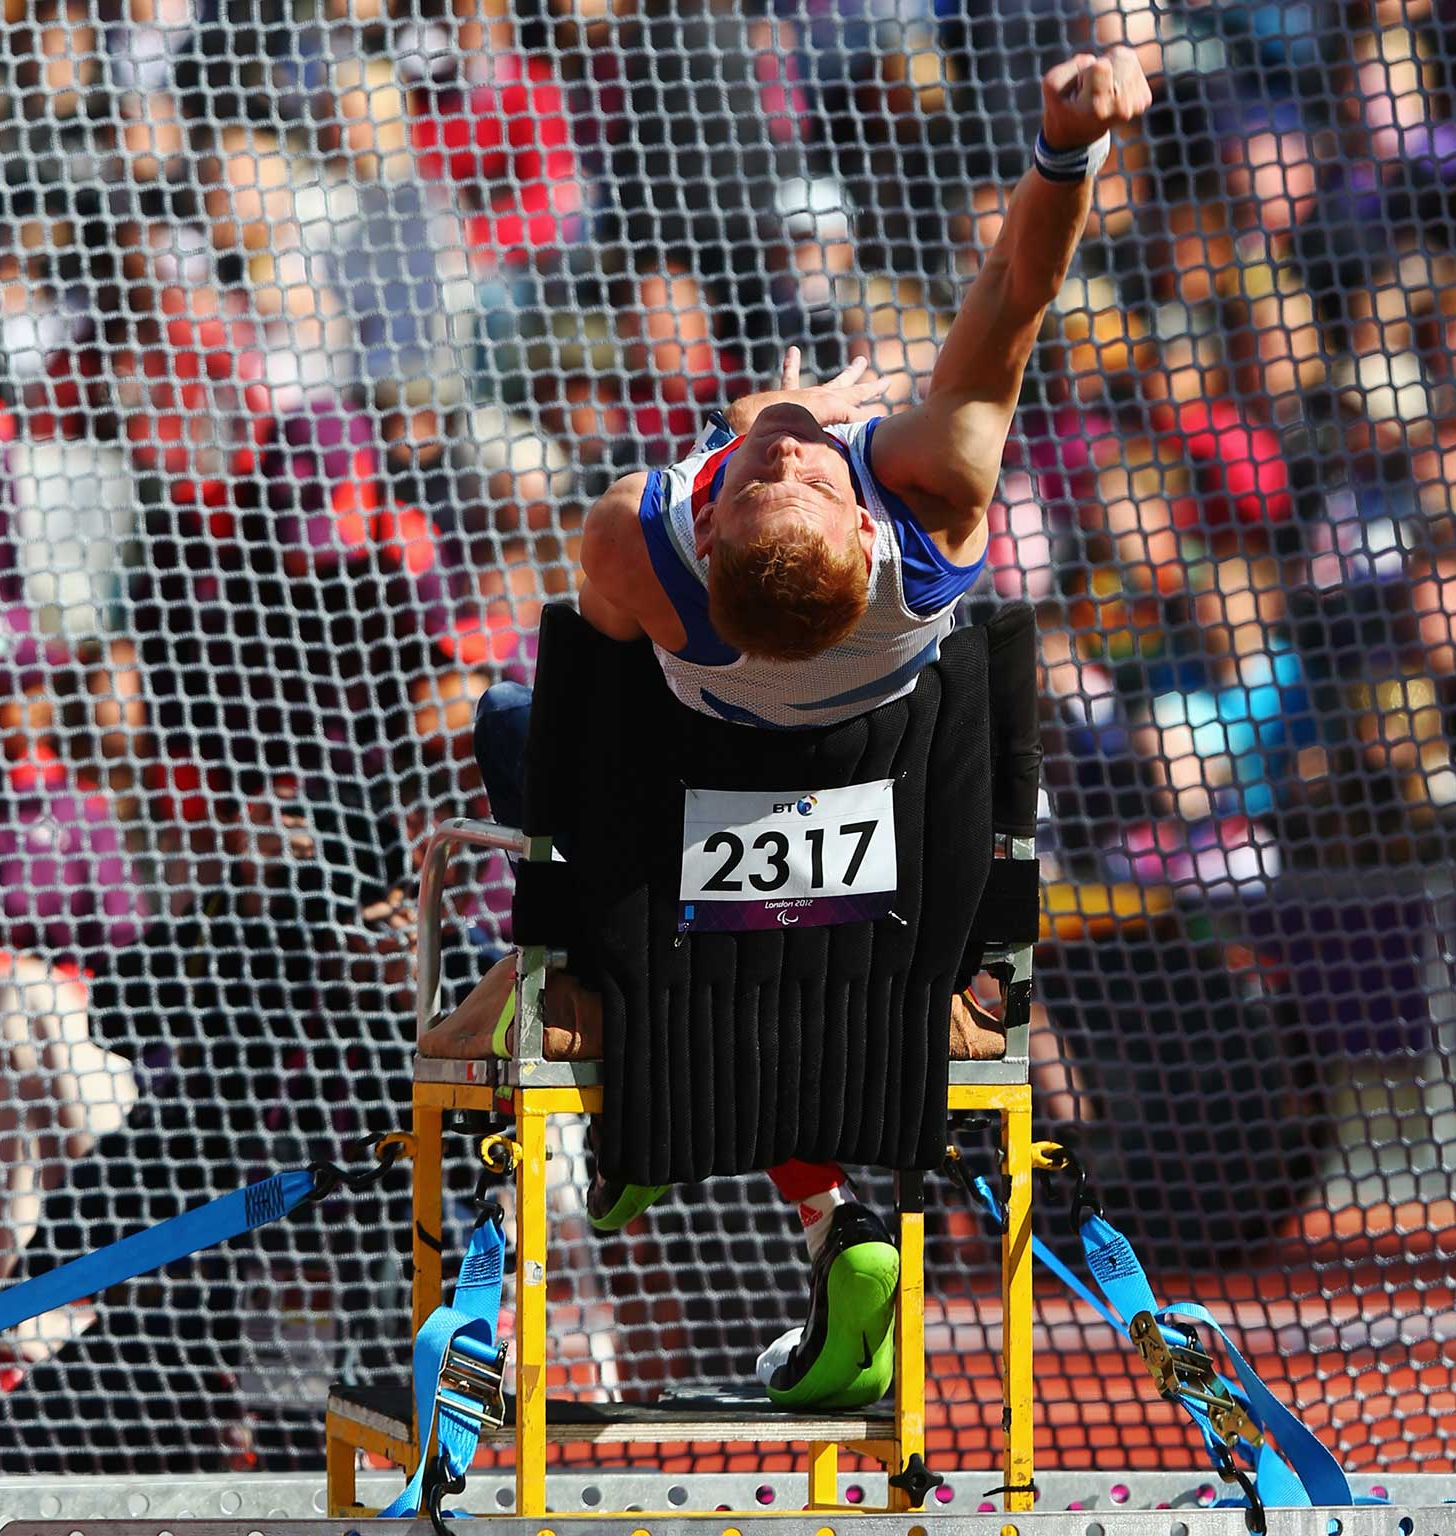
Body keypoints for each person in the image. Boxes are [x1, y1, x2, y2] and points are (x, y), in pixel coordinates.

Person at [421, 47, 1153, 1413]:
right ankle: (792, 1183)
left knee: (520, 721)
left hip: (707, 896)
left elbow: (590, 739)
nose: (793, 452)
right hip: (877, 910)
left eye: (779, 473)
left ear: (706, 528)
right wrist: (1065, 149)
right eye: (795, 473)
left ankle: (603, 1009)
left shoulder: (635, 531)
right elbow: (1016, 294)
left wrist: (557, 953)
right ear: (864, 525)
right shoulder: (930, 503)